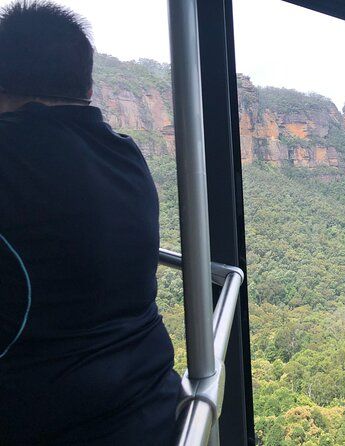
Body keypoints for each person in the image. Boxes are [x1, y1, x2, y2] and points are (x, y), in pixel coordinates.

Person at [0, 2, 180, 445]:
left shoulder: (11, 158)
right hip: (155, 407)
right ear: (86, 81)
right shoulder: (126, 154)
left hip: (50, 424)